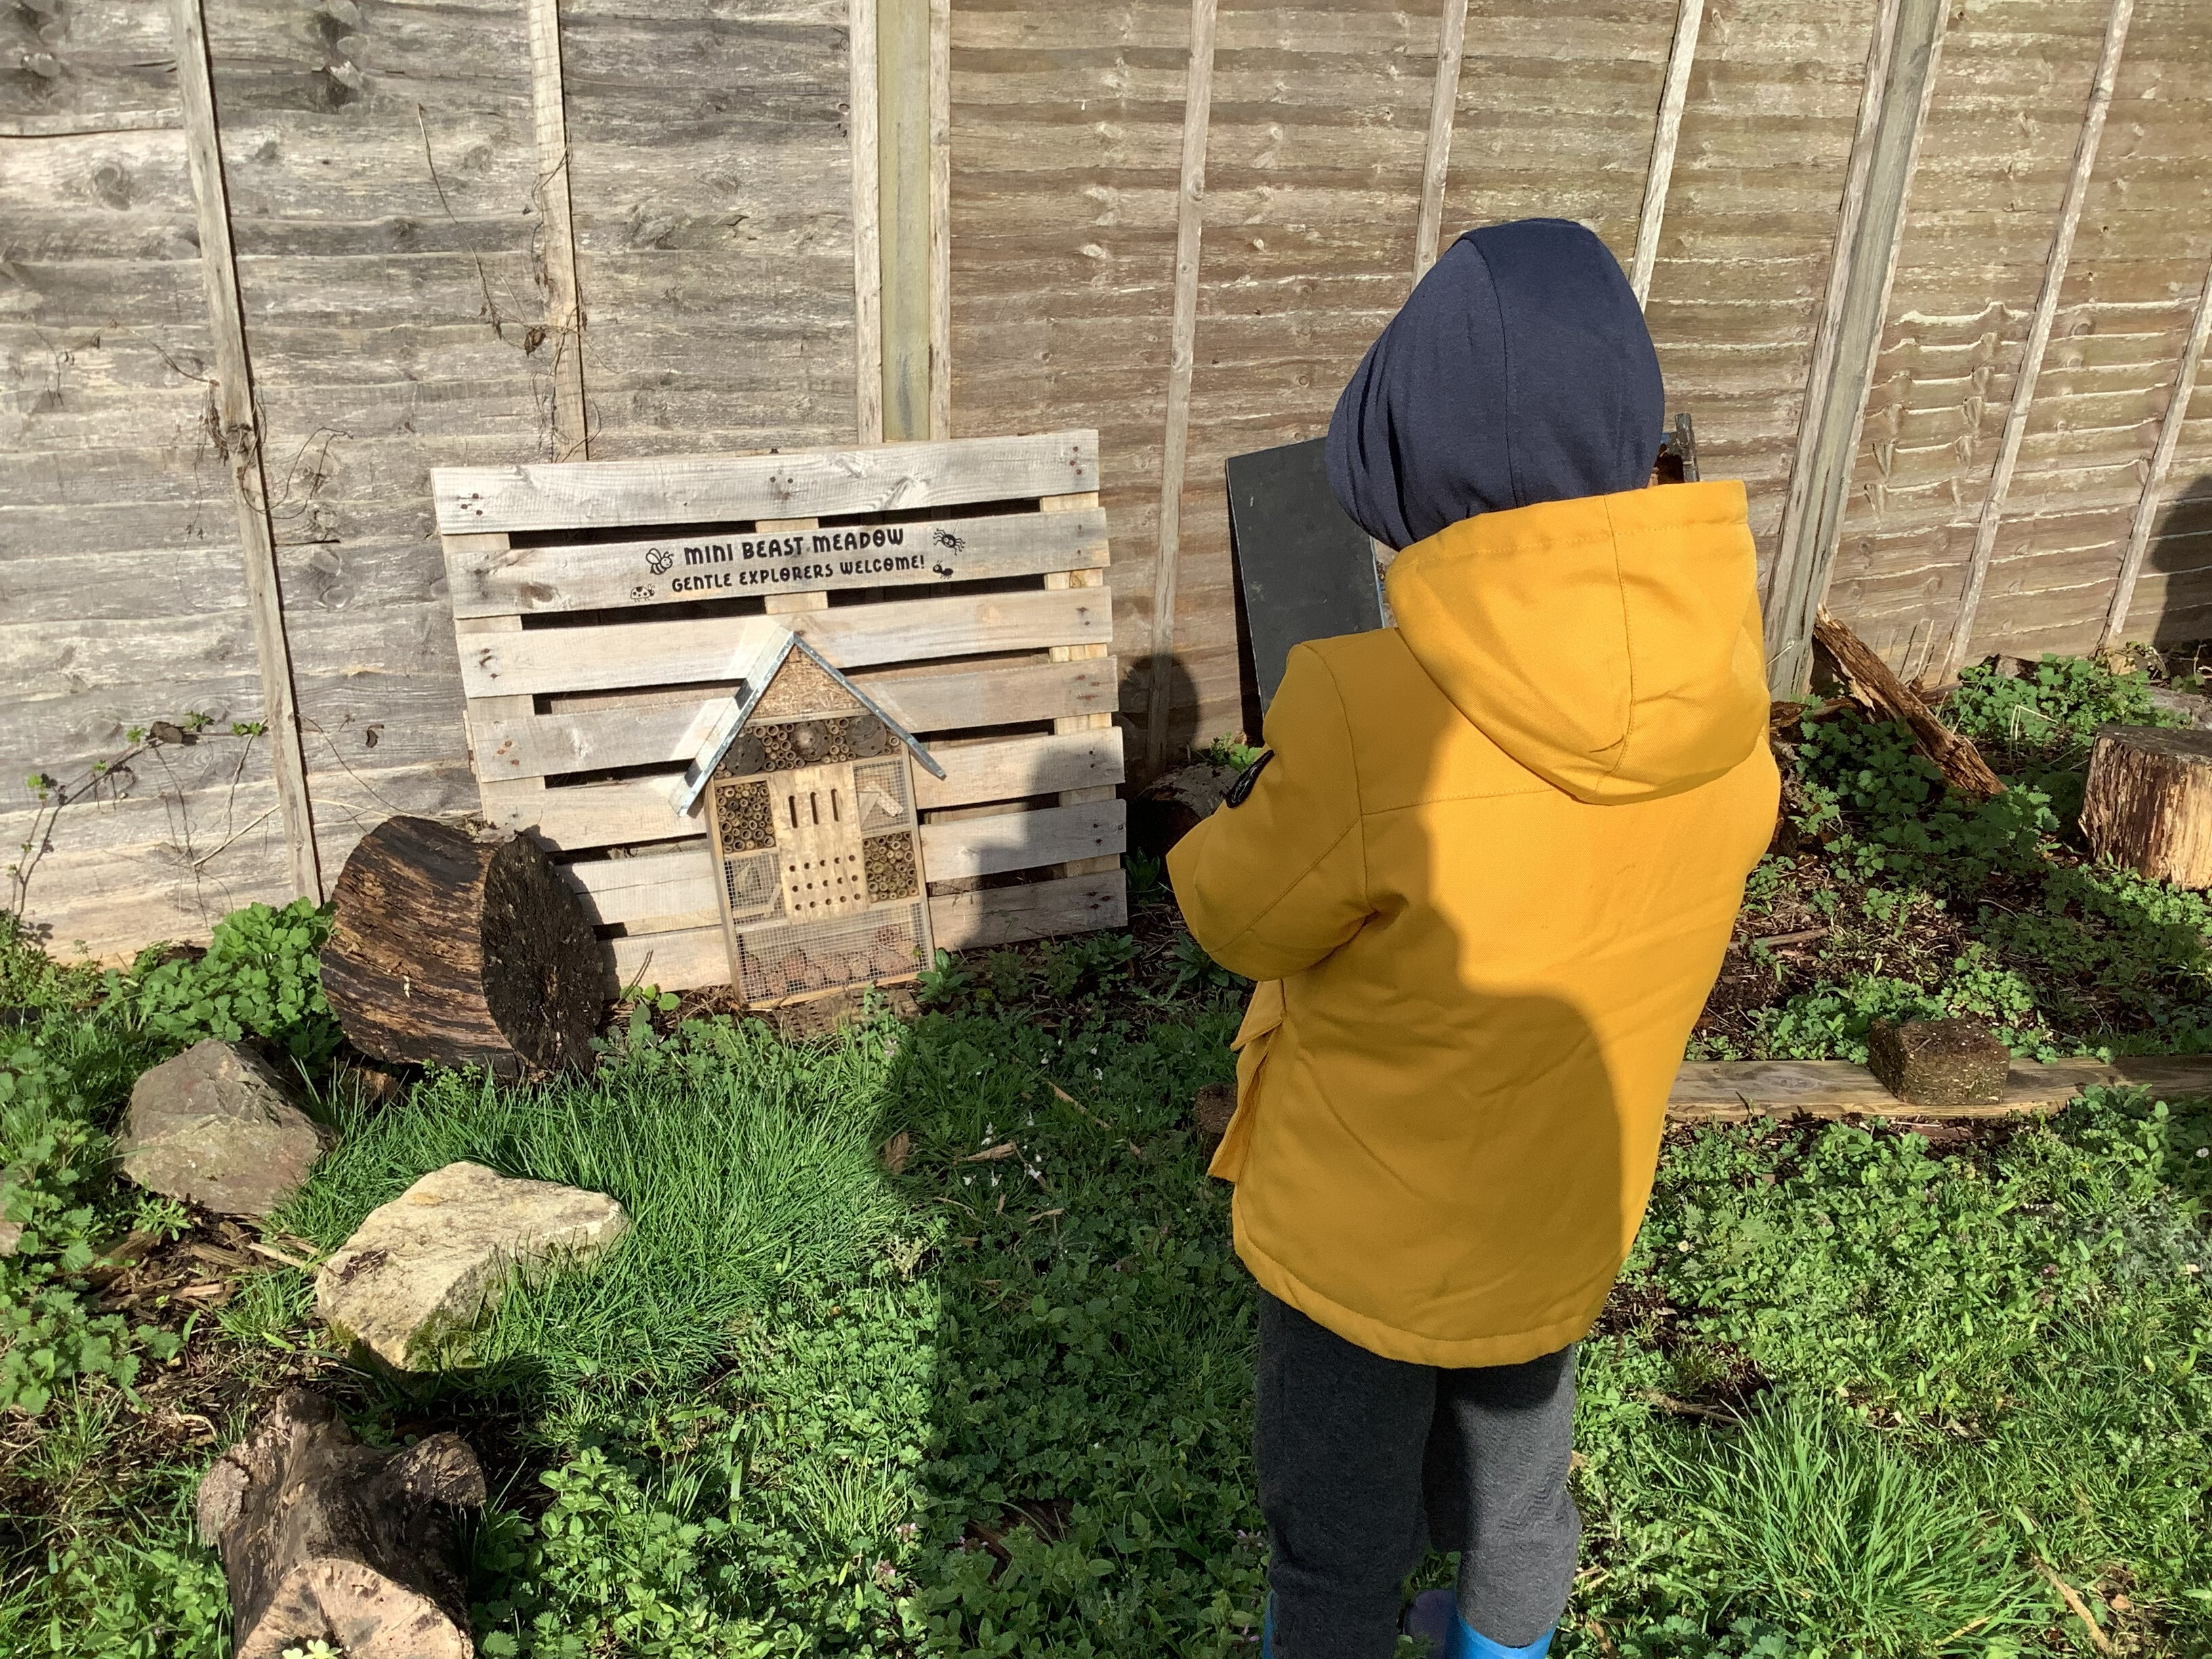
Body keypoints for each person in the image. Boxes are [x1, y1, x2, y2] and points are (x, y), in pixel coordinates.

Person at [1167, 219, 1780, 1659]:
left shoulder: (1366, 708)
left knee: (1339, 1540)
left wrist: (1230, 815)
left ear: (1410, 464)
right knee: (1518, 1506)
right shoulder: (1723, 703)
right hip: (1560, 1211)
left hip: (1362, 1238)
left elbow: (1236, 915)